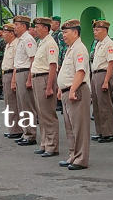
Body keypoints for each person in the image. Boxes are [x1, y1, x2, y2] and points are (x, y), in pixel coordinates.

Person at [57, 20, 91, 170]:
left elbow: (80, 71)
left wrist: (71, 90)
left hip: (76, 91)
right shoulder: (70, 49)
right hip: (67, 91)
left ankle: (81, 159)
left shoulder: (79, 49)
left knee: (79, 127)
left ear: (75, 32)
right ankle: (73, 155)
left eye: (66, 32)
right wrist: (61, 88)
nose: (63, 35)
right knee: (70, 127)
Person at [30, 17, 60, 157]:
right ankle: (45, 143)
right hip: (37, 78)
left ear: (45, 28)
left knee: (48, 114)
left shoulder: (50, 44)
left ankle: (52, 146)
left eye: (38, 27)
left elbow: (52, 66)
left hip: (44, 78)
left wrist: (49, 87)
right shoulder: (42, 42)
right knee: (41, 114)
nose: (35, 29)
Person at [90, 20, 113, 143]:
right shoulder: (99, 44)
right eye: (94, 30)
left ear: (105, 31)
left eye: (97, 30)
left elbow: (111, 63)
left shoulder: (109, 44)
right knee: (97, 106)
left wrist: (106, 80)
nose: (94, 32)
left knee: (105, 106)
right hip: (96, 75)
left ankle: (108, 133)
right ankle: (100, 132)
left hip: (103, 74)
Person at [12, 15, 38, 146]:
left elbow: (33, 60)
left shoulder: (28, 39)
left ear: (23, 26)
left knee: (28, 105)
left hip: (25, 73)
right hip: (20, 72)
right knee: (21, 105)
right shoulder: (21, 39)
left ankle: (31, 134)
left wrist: (29, 79)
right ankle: (25, 132)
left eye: (17, 25)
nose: (15, 27)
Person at [0, 24, 22, 138]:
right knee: (8, 103)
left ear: (11, 33)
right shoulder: (8, 45)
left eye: (5, 32)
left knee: (13, 103)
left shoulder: (16, 45)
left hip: (11, 75)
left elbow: (15, 64)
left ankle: (17, 129)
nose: (3, 35)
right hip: (5, 74)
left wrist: (13, 79)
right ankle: (12, 128)